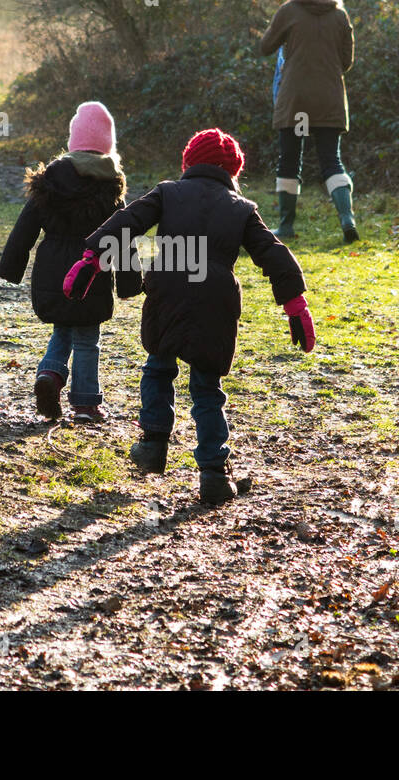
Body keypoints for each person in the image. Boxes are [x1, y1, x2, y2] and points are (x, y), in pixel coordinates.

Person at [63, 128, 316, 506]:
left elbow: (126, 222)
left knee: (158, 368)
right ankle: (214, 473)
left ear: (188, 164)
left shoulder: (167, 192)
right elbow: (273, 253)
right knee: (207, 389)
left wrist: (92, 259)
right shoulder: (241, 209)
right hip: (215, 303)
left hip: (168, 293)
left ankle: (152, 444)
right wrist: (295, 303)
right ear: (233, 171)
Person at [0, 101, 141, 423]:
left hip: (51, 272)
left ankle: (49, 374)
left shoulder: (48, 182)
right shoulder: (111, 187)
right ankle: (86, 404)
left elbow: (25, 228)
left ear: (73, 141)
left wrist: (11, 267)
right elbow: (124, 237)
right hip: (92, 273)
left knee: (63, 328)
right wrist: (131, 283)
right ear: (108, 145)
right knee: (87, 338)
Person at [257, 0, 358, 242]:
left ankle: (286, 226)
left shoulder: (289, 11)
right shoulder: (339, 14)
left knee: (290, 159)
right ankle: (347, 218)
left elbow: (265, 46)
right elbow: (346, 62)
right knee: (331, 160)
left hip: (296, 100)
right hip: (329, 99)